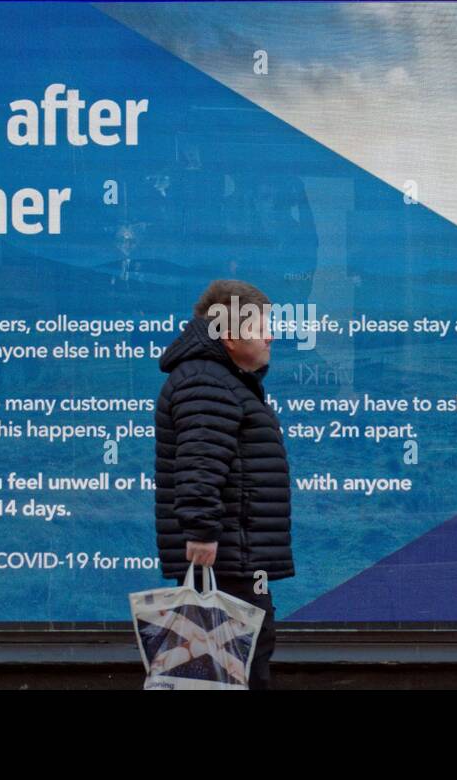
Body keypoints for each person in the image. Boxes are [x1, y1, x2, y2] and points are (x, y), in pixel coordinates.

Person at [153, 279, 295, 690]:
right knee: (231, 671)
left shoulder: (221, 379)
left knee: (235, 667)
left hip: (235, 553)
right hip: (226, 558)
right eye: (260, 328)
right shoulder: (208, 382)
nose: (271, 336)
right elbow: (199, 460)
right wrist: (201, 532)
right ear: (230, 336)